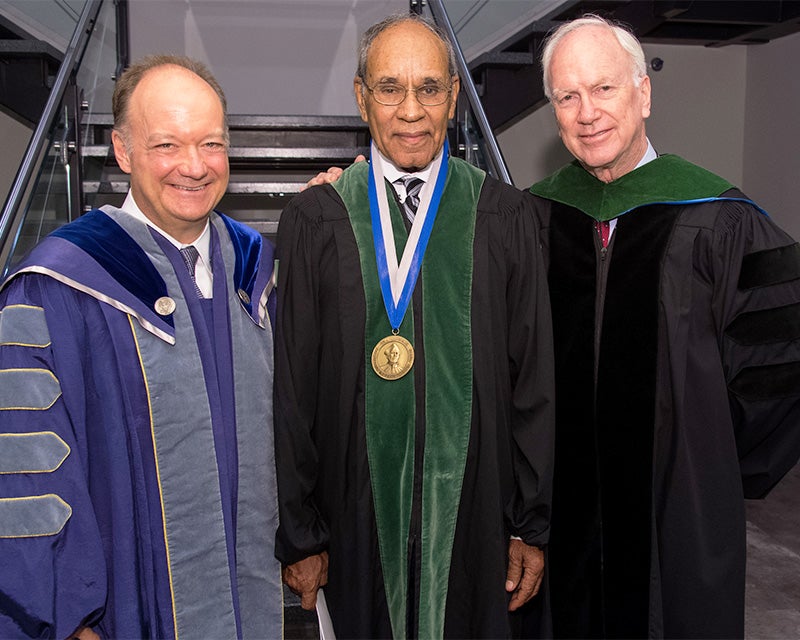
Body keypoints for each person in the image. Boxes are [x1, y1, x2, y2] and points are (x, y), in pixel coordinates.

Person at [273, 13, 554, 639]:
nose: (411, 110)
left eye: (429, 88)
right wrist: (301, 533)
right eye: (390, 87)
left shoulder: (505, 216)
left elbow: (532, 380)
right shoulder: (318, 220)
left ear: (454, 97)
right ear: (360, 96)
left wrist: (527, 523)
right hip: (352, 521)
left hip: (476, 517)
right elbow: (292, 390)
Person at [527, 15, 800, 639]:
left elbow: (783, 349)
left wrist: (710, 449)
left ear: (643, 93)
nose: (587, 111)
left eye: (604, 89)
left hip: (678, 507)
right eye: (568, 96)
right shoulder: (533, 218)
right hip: (560, 519)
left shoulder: (719, 217)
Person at [0, 55, 282, 639]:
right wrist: (63, 616)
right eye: (167, 146)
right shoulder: (56, 285)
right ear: (123, 151)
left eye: (211, 144)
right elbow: (25, 474)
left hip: (250, 597)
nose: (194, 167)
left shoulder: (255, 269)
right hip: (120, 611)